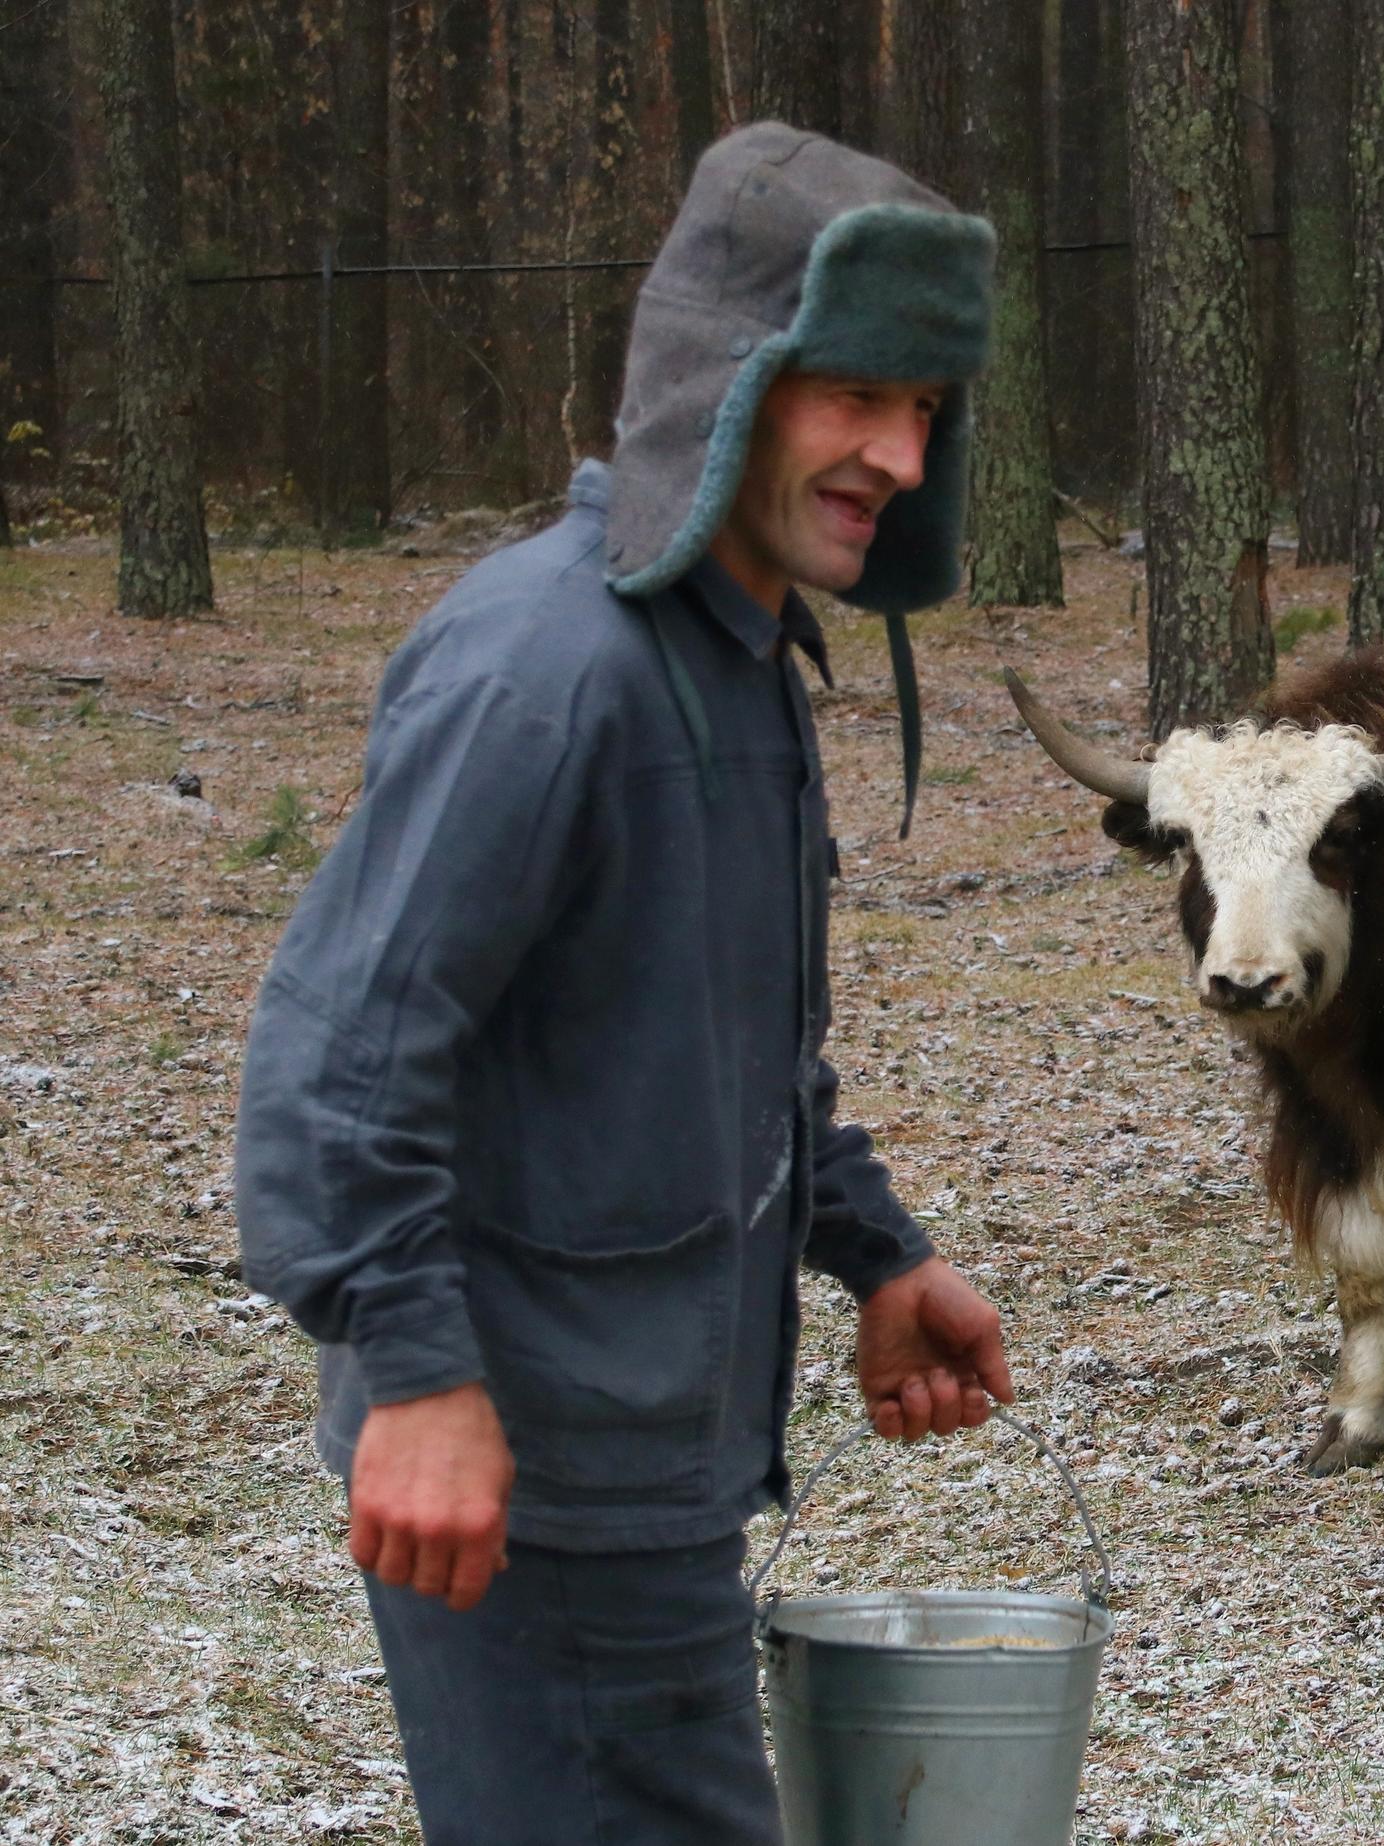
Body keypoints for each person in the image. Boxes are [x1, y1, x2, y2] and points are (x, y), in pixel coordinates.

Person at [233, 123, 1013, 1843]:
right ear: (728, 371)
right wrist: (421, 1382)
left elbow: (724, 1055)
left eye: (926, 411)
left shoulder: (736, 663)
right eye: (854, 393)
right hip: (536, 1490)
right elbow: (338, 1068)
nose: (893, 452)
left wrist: (876, 1249)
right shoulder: (548, 671)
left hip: (649, 1469)